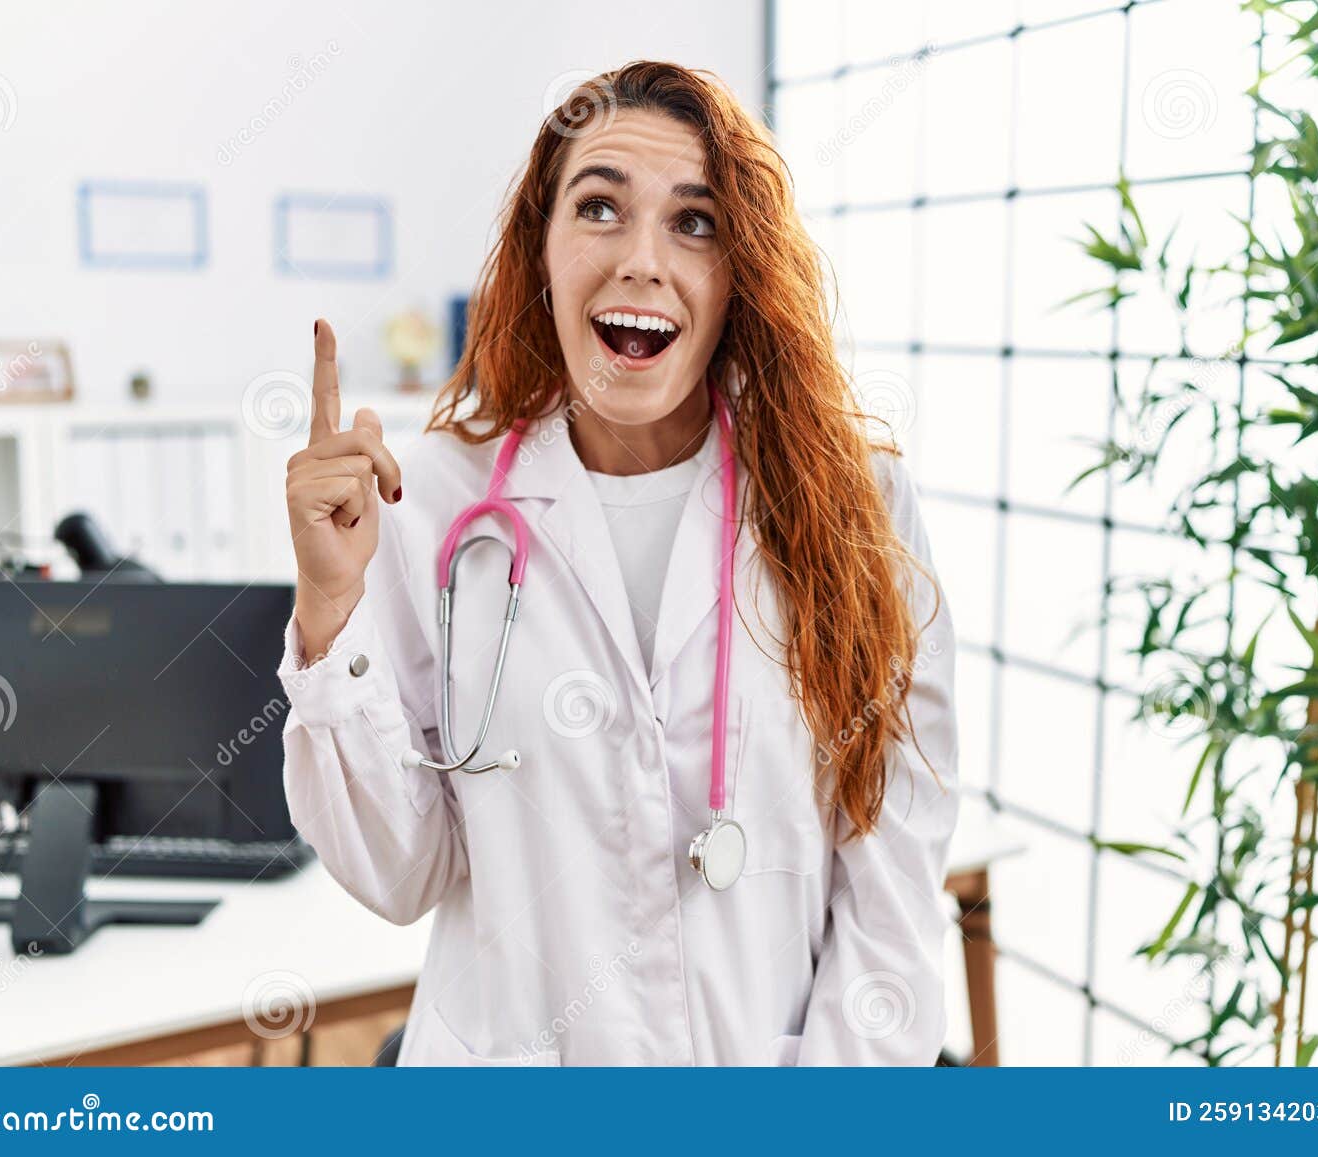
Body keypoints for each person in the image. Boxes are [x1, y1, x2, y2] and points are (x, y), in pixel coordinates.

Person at [278, 60, 958, 1066]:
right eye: (599, 206)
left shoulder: (854, 503)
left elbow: (892, 873)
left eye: (696, 222)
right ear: (540, 252)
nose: (643, 259)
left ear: (741, 275)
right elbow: (398, 870)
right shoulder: (429, 500)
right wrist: (333, 608)